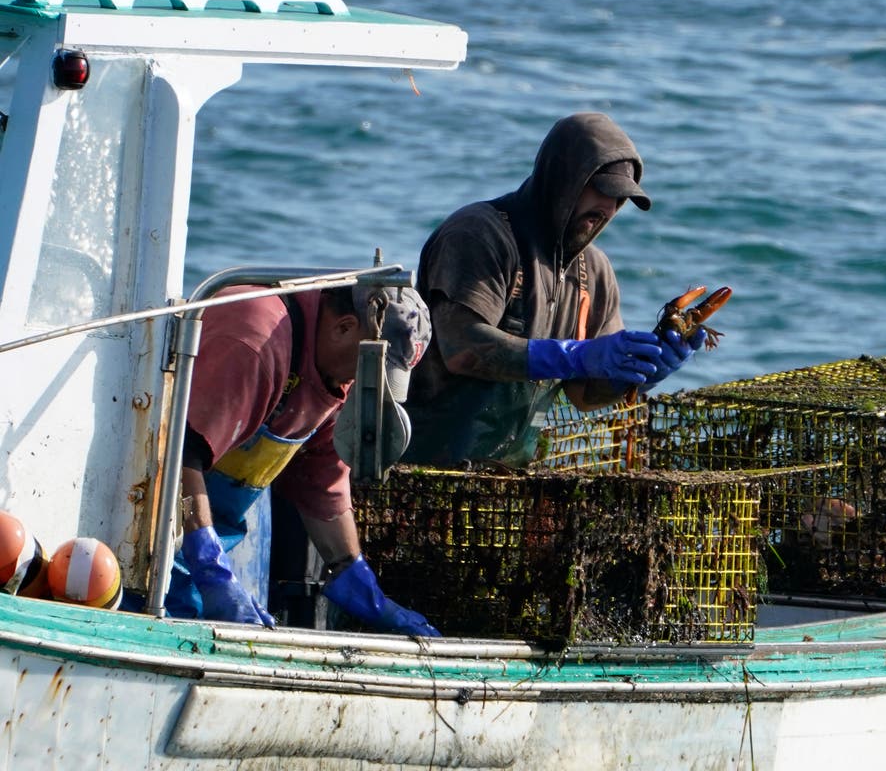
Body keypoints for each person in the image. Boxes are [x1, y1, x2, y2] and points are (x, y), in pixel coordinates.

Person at [403, 112, 706, 467]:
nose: (608, 209)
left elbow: (584, 394)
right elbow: (462, 348)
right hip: (421, 464)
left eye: (620, 200)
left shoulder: (595, 272)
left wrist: (641, 373)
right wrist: (575, 356)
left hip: (508, 475)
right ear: (562, 179)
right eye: (602, 190)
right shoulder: (479, 234)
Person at [163, 282, 440, 636]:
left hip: (198, 558)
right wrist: (208, 567)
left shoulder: (332, 374)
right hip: (145, 531)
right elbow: (177, 453)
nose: (361, 382)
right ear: (343, 327)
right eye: (365, 368)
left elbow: (321, 485)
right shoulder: (255, 342)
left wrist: (355, 577)